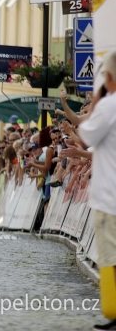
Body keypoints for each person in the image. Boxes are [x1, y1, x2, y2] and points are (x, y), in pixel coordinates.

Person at [77, 51, 116, 331]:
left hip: (109, 197)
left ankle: (114, 311)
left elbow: (86, 135)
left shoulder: (109, 106)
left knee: (110, 257)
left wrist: (97, 101)